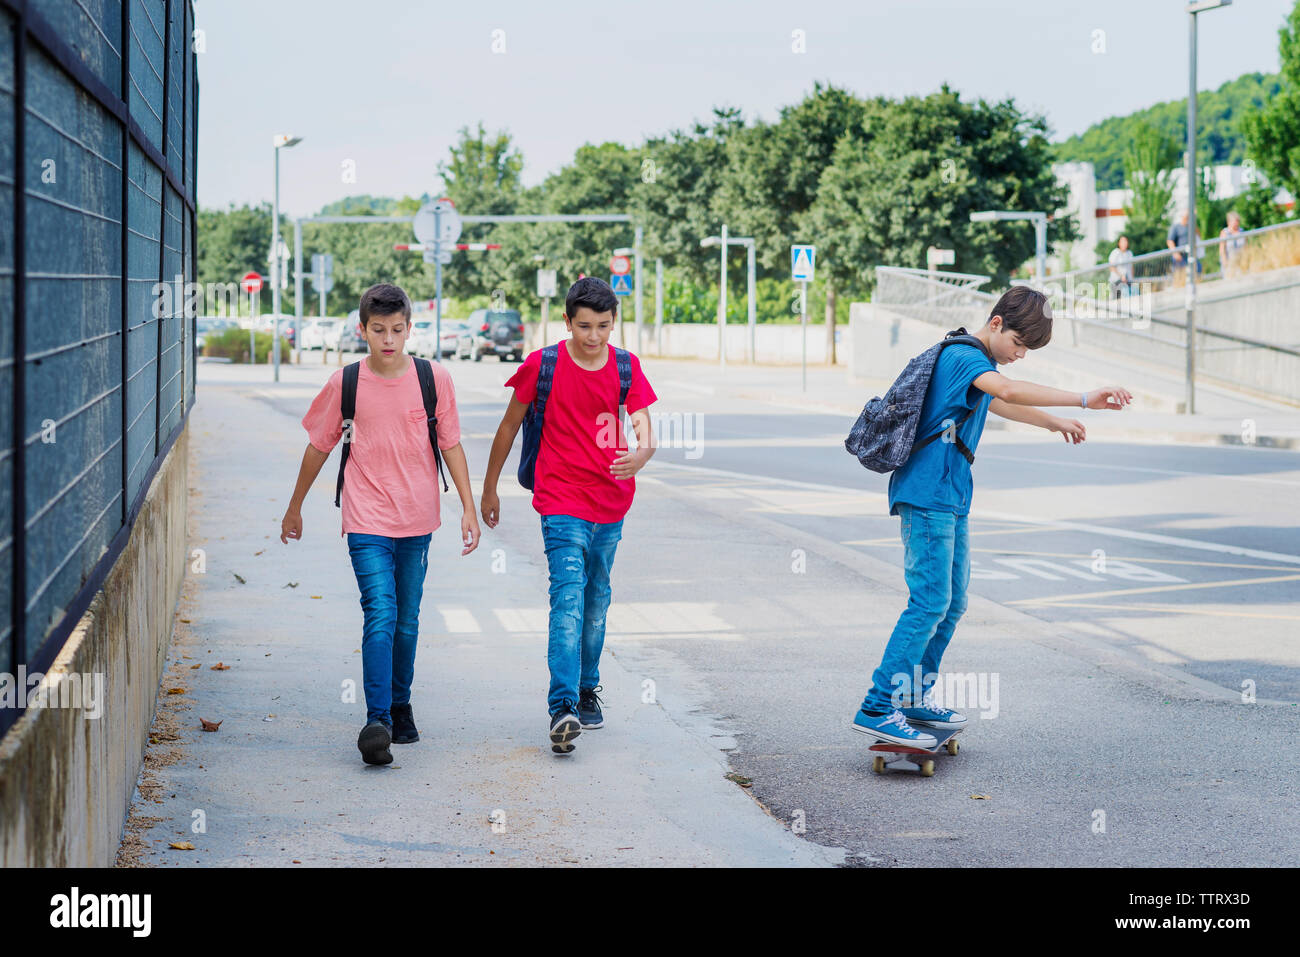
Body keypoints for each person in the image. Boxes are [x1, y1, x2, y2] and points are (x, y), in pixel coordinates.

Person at [851, 286, 1134, 747]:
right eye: (1019, 344)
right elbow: (1005, 389)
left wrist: (1053, 422)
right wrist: (1083, 399)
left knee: (952, 603)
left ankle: (911, 697)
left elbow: (998, 402)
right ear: (997, 323)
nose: (1020, 355)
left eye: (1027, 349)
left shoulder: (980, 367)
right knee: (928, 604)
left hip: (951, 495)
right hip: (927, 495)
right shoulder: (966, 355)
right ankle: (878, 706)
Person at [280, 283, 481, 765]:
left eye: (396, 330)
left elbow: (450, 444)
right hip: (366, 516)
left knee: (407, 620)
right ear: (362, 330)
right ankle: (378, 720)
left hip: (418, 517)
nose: (388, 339)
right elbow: (320, 446)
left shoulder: (434, 379)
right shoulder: (345, 382)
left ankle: (400, 703)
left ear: (410, 328)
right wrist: (295, 505)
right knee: (382, 612)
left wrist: (469, 508)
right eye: (378, 330)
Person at [480, 278, 658, 755]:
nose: (594, 336)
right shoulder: (545, 364)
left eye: (603, 326)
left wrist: (644, 451)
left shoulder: (625, 365)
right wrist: (489, 486)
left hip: (612, 500)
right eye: (584, 326)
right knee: (568, 596)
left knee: (597, 598)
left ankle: (585, 687)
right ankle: (562, 706)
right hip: (560, 499)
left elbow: (643, 424)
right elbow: (508, 426)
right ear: (566, 321)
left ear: (614, 322)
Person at [1167, 210, 1201, 278]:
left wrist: (1194, 222)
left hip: (1190, 254)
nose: (1188, 218)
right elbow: (1170, 241)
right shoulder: (1176, 227)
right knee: (1180, 274)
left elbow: (1198, 235)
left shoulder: (1191, 226)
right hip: (1180, 256)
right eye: (1187, 216)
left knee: (1198, 270)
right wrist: (1175, 253)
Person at [1219, 210, 1246, 277]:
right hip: (1229, 261)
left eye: (1237, 221)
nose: (1236, 223)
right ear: (1229, 222)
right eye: (1235, 221)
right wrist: (1225, 263)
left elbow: (1246, 246)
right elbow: (1222, 250)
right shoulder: (1225, 232)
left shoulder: (1242, 231)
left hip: (1240, 261)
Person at [1107, 234, 1134, 300]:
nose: (1124, 243)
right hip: (1116, 281)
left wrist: (1132, 279)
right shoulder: (1115, 252)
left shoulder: (1129, 253)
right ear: (1119, 243)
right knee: (1116, 301)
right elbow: (1111, 267)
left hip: (1127, 281)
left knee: (1127, 300)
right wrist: (1121, 276)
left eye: (1125, 241)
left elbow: (1132, 267)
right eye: (1122, 241)